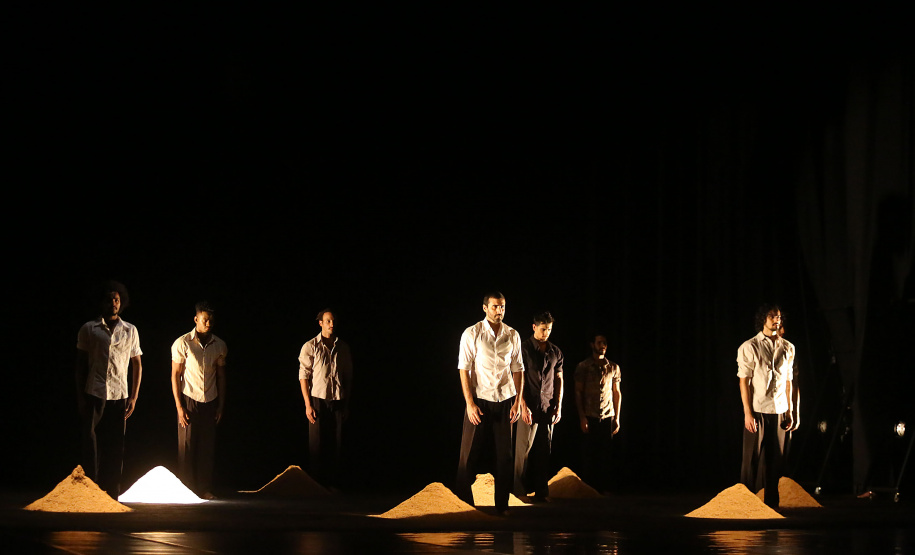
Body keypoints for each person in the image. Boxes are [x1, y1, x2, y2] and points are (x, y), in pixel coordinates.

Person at [456, 292, 525, 515]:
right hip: (479, 401)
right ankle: (465, 505)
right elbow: (463, 369)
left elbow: (518, 369)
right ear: (485, 308)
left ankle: (502, 507)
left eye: (502, 307)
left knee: (504, 457)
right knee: (469, 456)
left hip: (504, 400)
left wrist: (517, 402)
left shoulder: (512, 334)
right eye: (495, 307)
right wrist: (469, 403)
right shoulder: (472, 333)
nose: (499, 311)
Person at [75, 280, 143, 498]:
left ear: (121, 303)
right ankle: (90, 491)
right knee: (91, 444)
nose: (113, 303)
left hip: (119, 394)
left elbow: (137, 364)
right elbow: (80, 365)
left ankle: (112, 493)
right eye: (109, 299)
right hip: (94, 392)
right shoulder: (89, 329)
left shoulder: (130, 330)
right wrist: (80, 397)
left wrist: (134, 396)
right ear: (102, 302)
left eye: (117, 299)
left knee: (116, 446)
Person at [737, 304, 796, 507]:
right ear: (763, 319)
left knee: (775, 463)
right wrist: (747, 413)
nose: (776, 320)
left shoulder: (788, 347)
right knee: (751, 461)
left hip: (779, 410)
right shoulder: (749, 346)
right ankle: (746, 505)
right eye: (772, 316)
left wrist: (791, 411)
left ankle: (771, 506)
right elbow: (743, 381)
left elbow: (789, 382)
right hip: (757, 409)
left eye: (779, 316)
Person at [170, 301, 227, 499]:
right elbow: (175, 375)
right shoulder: (183, 343)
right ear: (196, 319)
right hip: (189, 399)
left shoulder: (219, 345)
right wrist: (179, 406)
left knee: (207, 448)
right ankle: (186, 490)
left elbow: (221, 376)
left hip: (210, 400)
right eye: (205, 319)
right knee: (186, 448)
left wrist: (220, 404)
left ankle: (204, 488)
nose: (208, 323)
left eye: (211, 319)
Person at [298, 309, 353, 488]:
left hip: (337, 400)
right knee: (317, 445)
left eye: (333, 321)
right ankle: (315, 485)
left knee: (336, 443)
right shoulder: (310, 346)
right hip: (318, 400)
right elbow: (303, 376)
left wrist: (346, 404)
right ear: (320, 323)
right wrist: (307, 404)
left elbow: (347, 377)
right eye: (328, 321)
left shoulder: (343, 347)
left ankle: (333, 484)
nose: (332, 324)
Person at [514, 311, 564, 502]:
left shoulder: (555, 351)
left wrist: (558, 405)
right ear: (534, 327)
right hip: (528, 404)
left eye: (549, 329)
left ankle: (542, 492)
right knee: (523, 452)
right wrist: (522, 404)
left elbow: (559, 379)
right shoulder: (524, 349)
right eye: (543, 329)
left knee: (544, 451)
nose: (546, 333)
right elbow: (518, 377)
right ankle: (518, 491)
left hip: (547, 406)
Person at [574, 333, 621, 494]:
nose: (603, 345)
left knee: (605, 456)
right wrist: (582, 417)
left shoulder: (613, 367)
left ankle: (604, 489)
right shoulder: (583, 366)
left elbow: (616, 392)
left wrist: (617, 417)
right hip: (590, 415)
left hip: (607, 415)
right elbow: (578, 392)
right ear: (592, 344)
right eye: (599, 342)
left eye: (605, 343)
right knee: (589, 456)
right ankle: (589, 489)